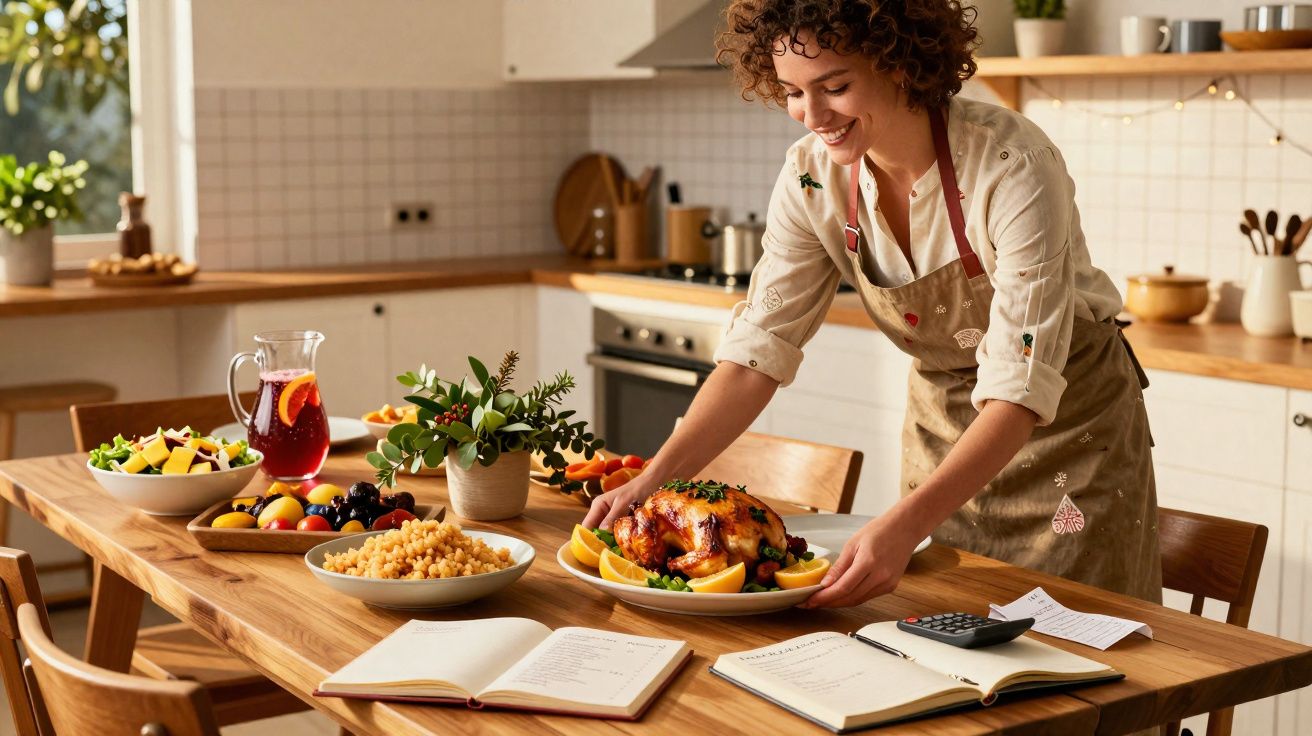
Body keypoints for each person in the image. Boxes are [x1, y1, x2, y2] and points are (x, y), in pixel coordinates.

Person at [582, 0, 1161, 609]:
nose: (813, 115)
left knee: (1084, 651)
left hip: (1070, 433)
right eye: (793, 93)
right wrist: (654, 480)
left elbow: (1019, 387)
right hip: (946, 433)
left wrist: (906, 522)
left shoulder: (1010, 163)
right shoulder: (812, 180)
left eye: (835, 86)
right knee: (947, 641)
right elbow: (756, 353)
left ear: (900, 64)